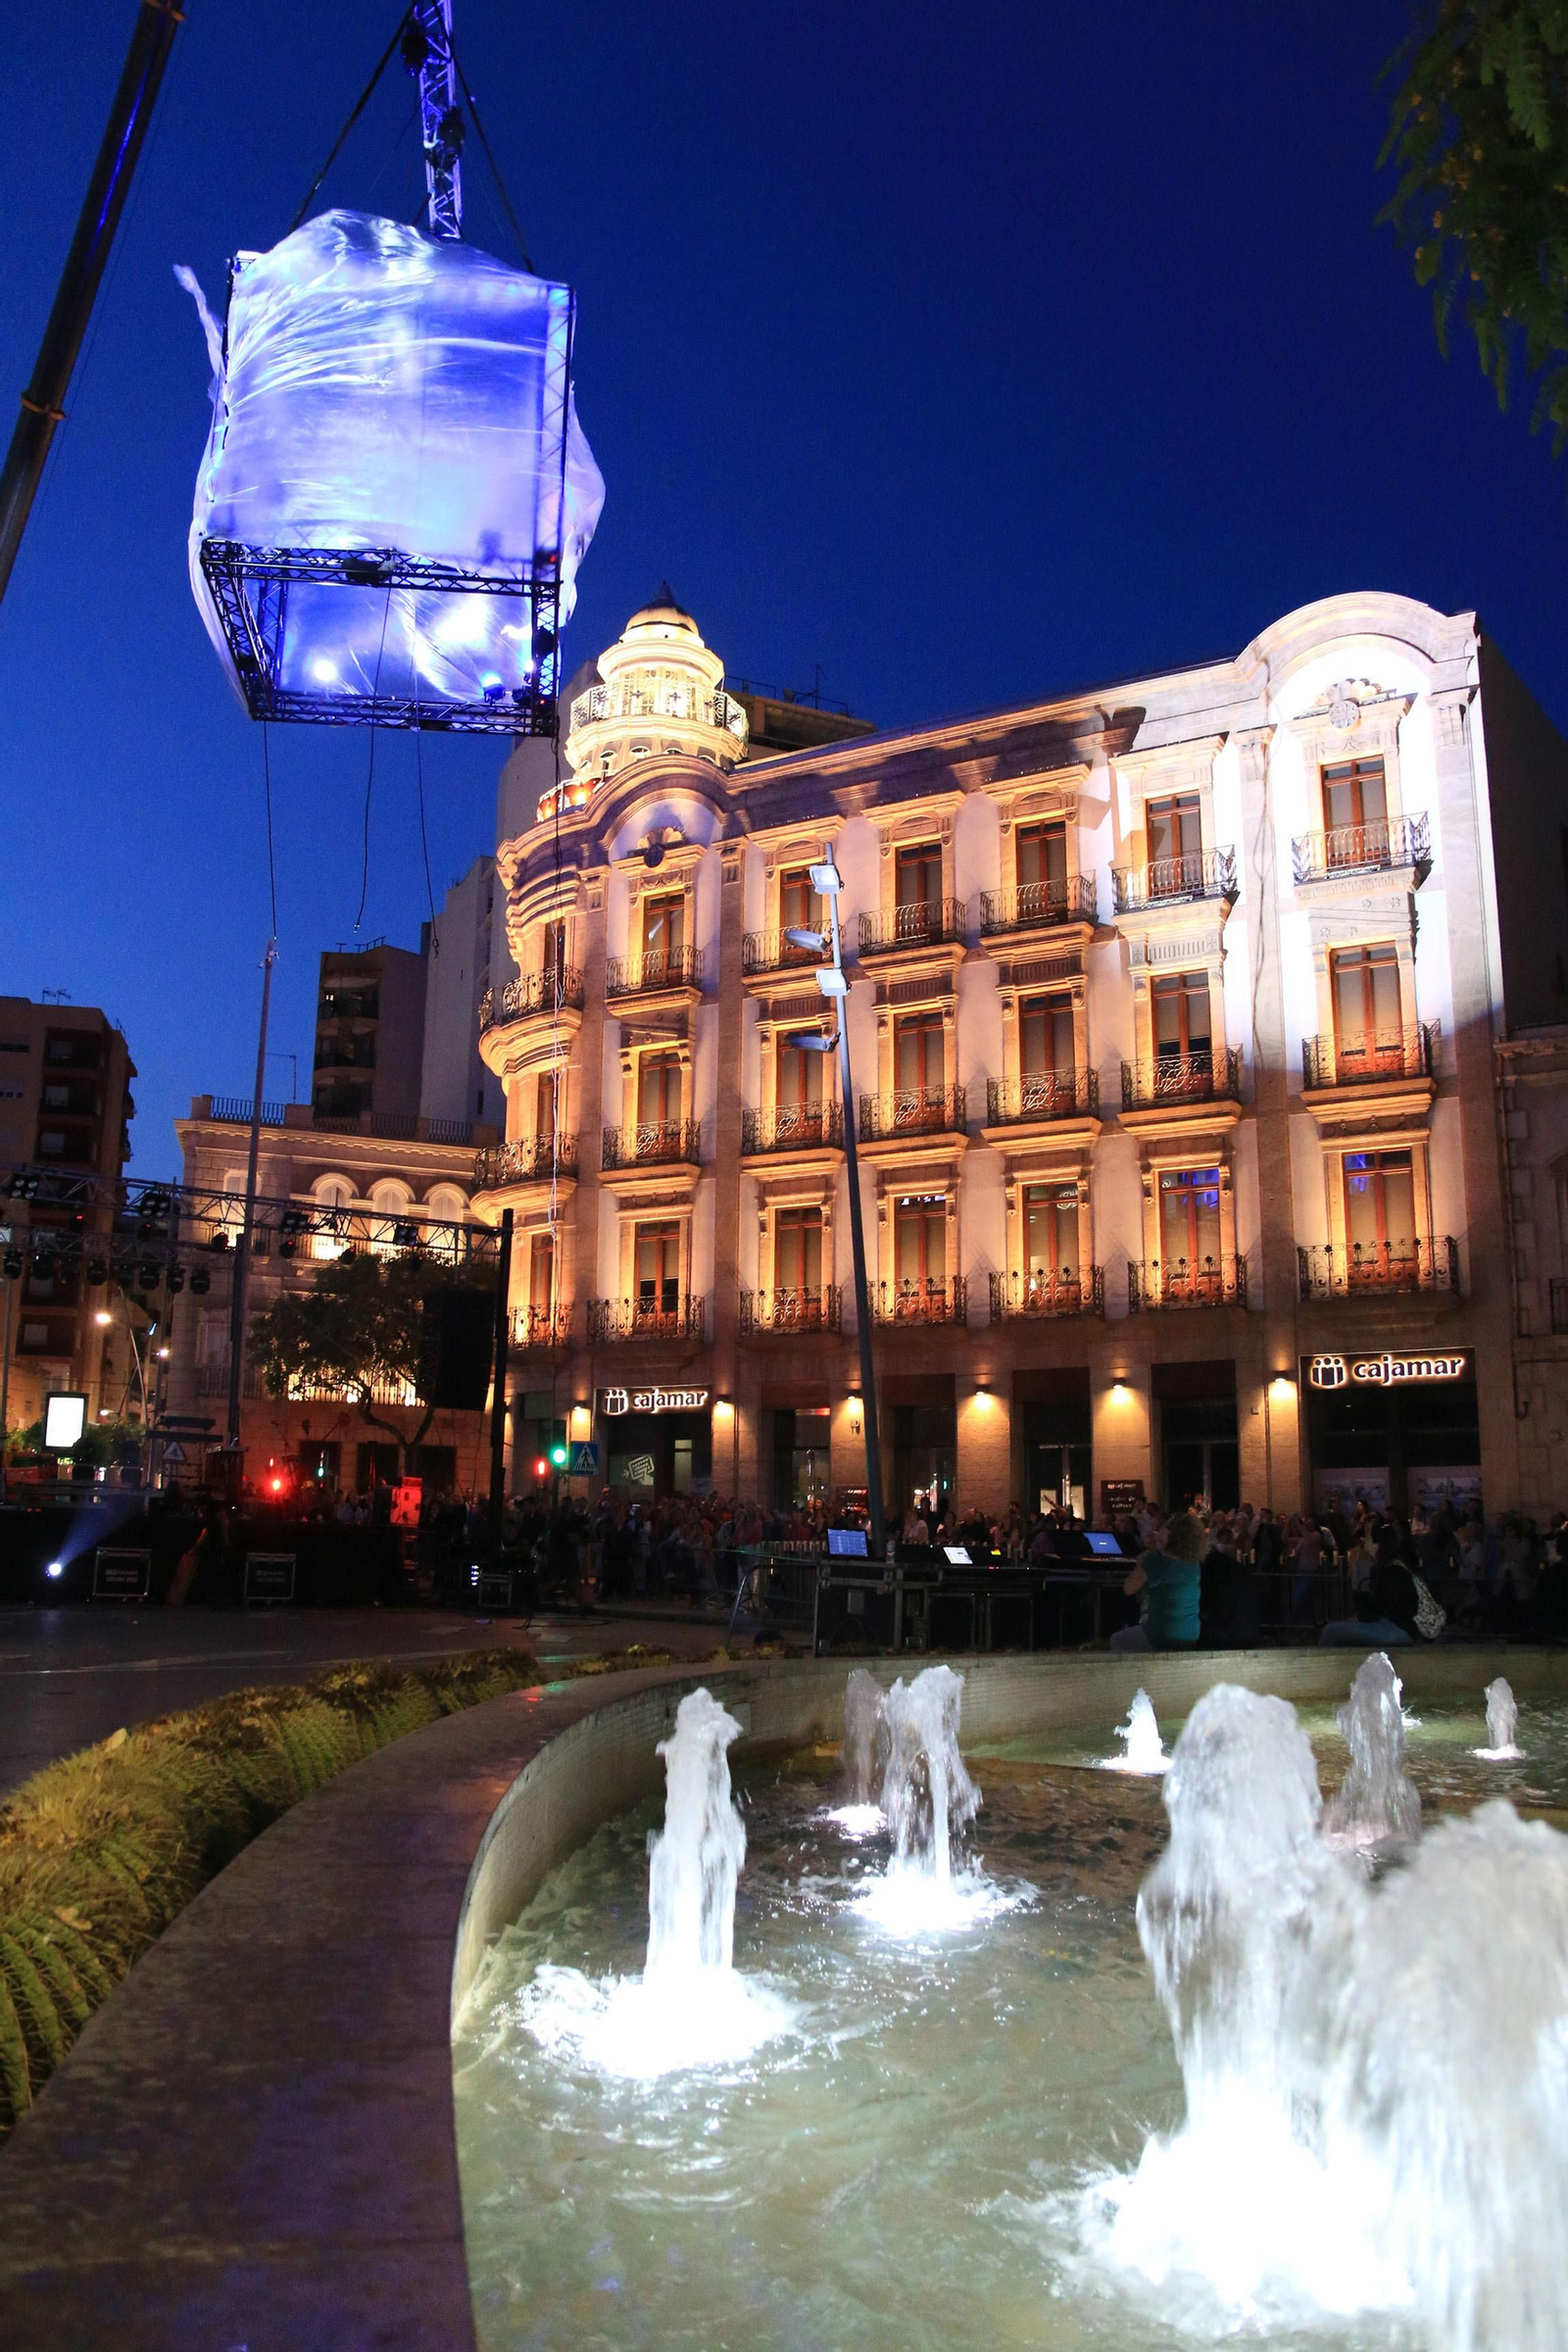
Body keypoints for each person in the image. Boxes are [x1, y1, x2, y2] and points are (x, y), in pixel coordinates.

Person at [1111, 1509, 1203, 1651]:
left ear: (1171, 1534)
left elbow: (1128, 1588)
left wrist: (1148, 1556)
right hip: (1190, 1634)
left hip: (1161, 1636)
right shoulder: (1194, 1565)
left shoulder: (1156, 1562)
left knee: (1116, 1640)